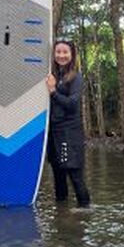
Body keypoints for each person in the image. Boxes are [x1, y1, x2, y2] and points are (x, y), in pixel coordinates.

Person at [46, 39, 91, 207]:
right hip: (53, 132)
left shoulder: (76, 77)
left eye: (65, 52)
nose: (61, 55)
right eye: (58, 52)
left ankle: (85, 210)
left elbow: (72, 104)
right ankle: (61, 214)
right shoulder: (52, 75)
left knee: (74, 174)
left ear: (72, 55)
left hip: (69, 133)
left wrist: (53, 92)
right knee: (58, 175)